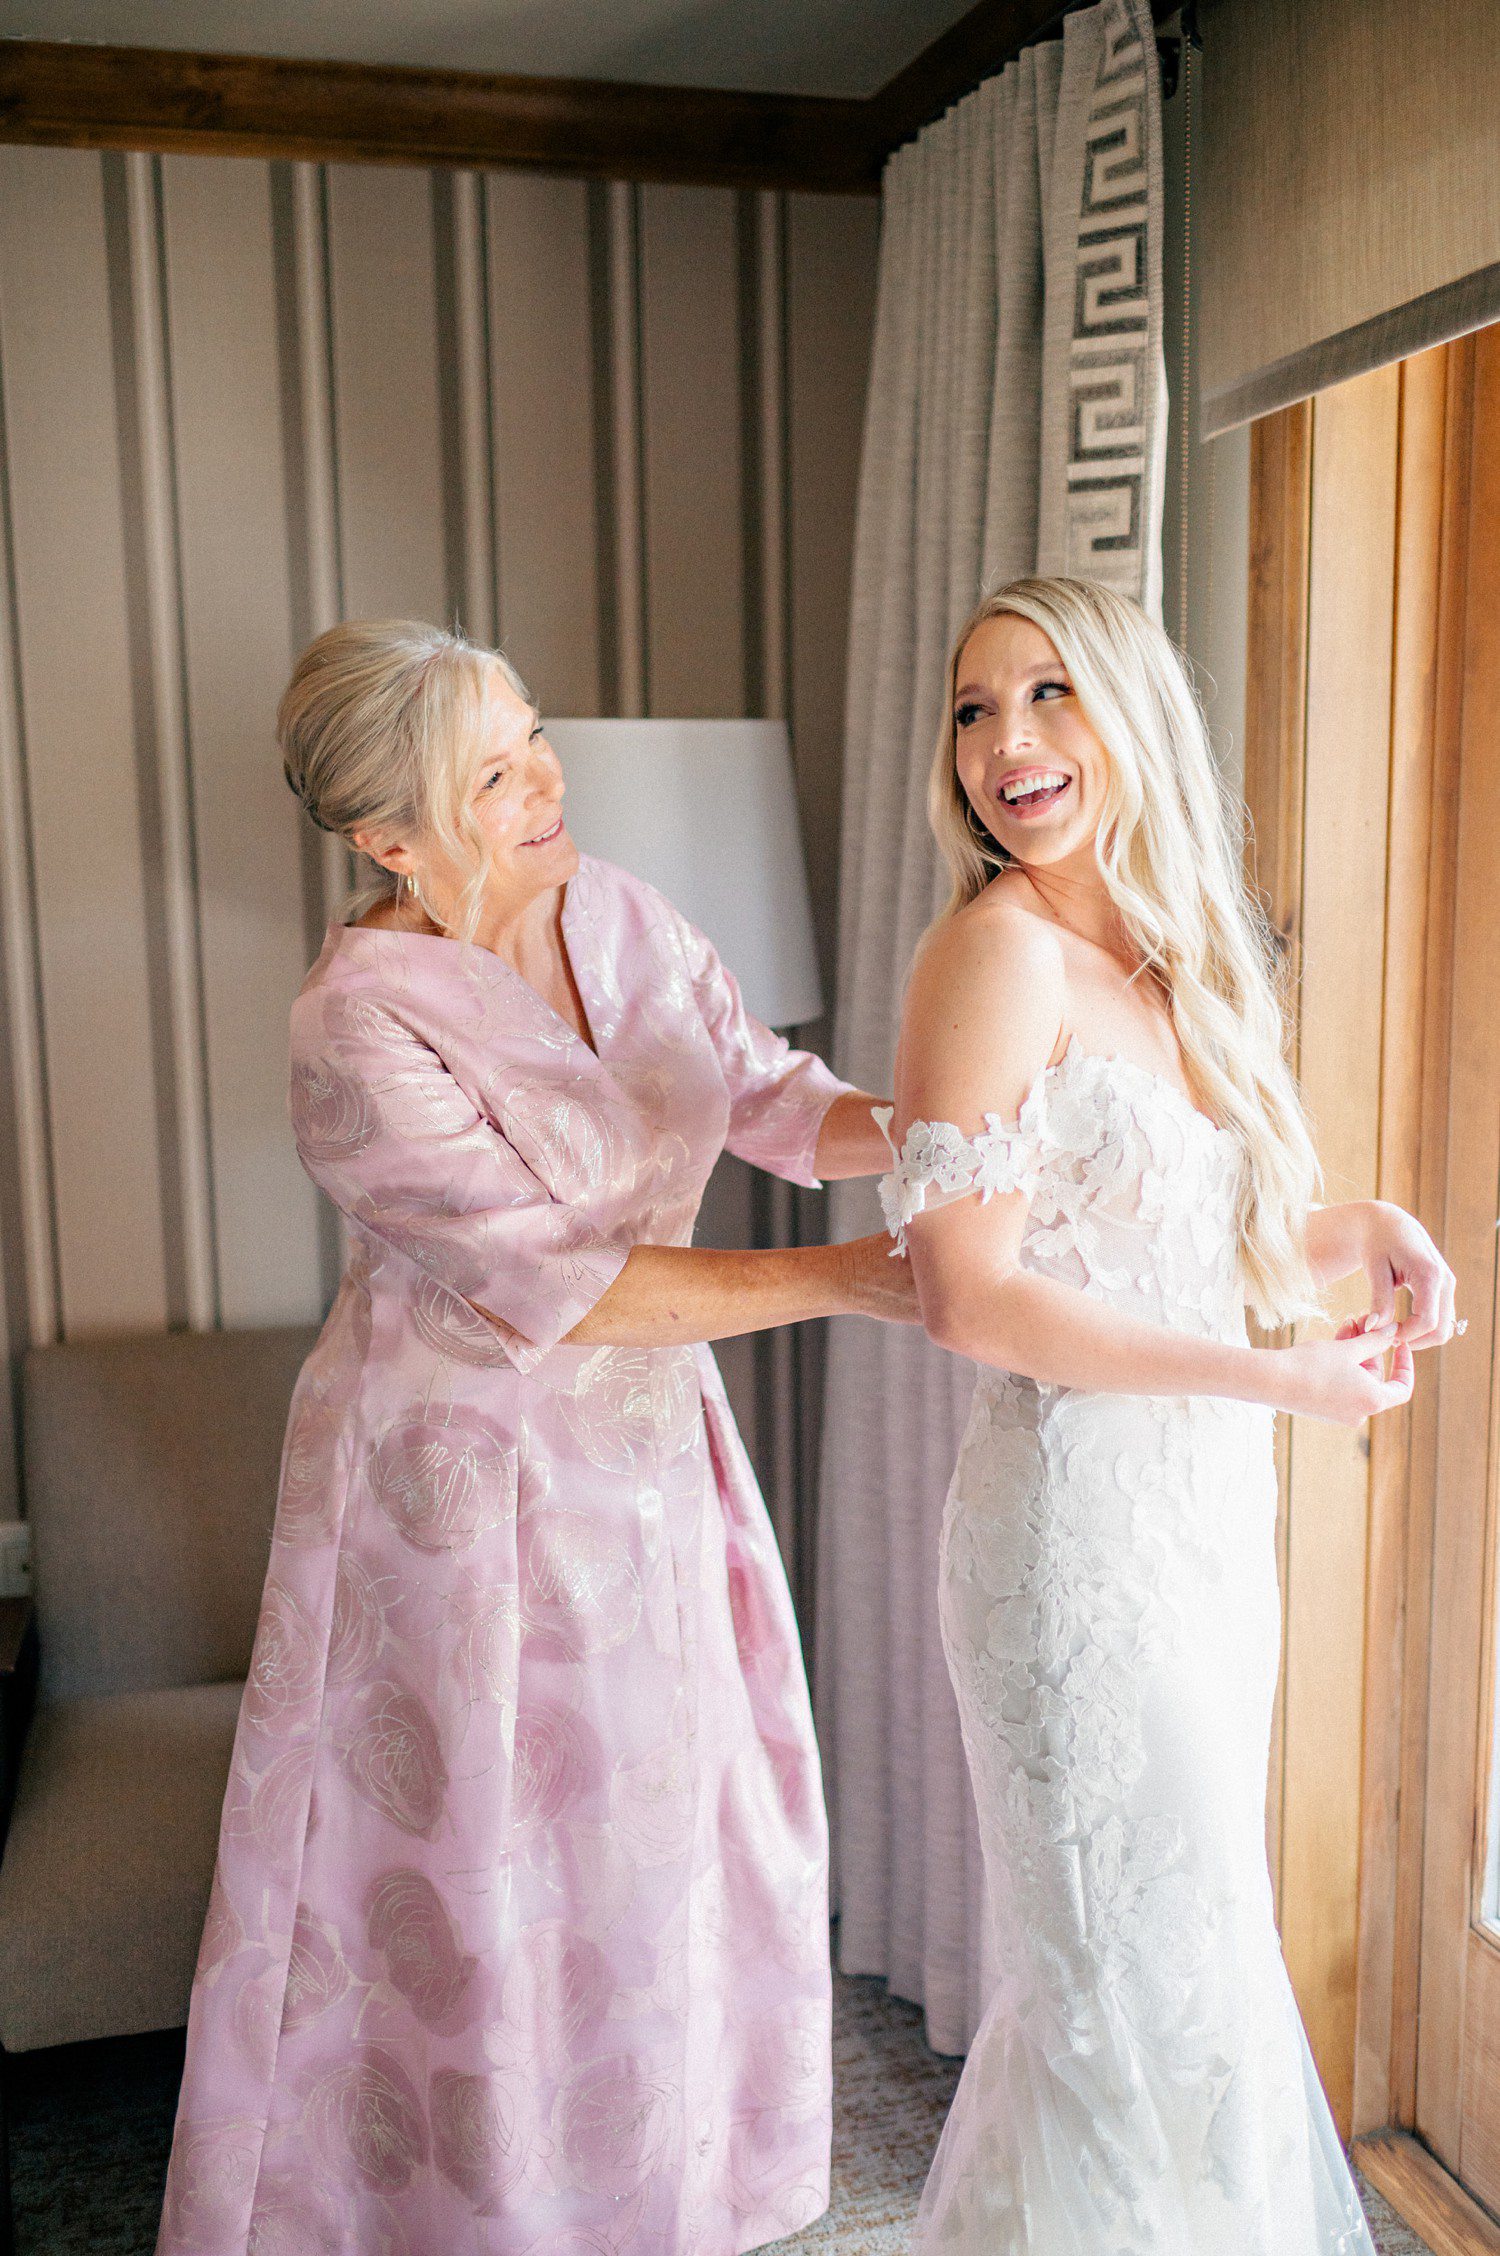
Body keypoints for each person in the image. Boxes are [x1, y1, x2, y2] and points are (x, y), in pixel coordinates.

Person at [156, 619, 912, 2256]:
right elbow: (558, 1286)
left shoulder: (620, 912)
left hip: (653, 1463)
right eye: (489, 773)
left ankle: (663, 2195)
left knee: (664, 1843)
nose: (543, 780)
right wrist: (860, 1281)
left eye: (533, 736)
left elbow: (773, 1096)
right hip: (459, 1494)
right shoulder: (354, 1024)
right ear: (388, 835)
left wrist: (942, 1127)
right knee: (495, 1864)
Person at [881, 576, 1457, 2254]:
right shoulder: (990, 954)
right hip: (1072, 1549)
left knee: (1198, 1952)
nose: (1007, 743)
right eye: (976, 709)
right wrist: (1279, 1379)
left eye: (1048, 693)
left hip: (1199, 1535)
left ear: (1132, 710)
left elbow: (1186, 1245)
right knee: (1108, 1992)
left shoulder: (1170, 952)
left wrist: (1354, 1233)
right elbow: (969, 1296)